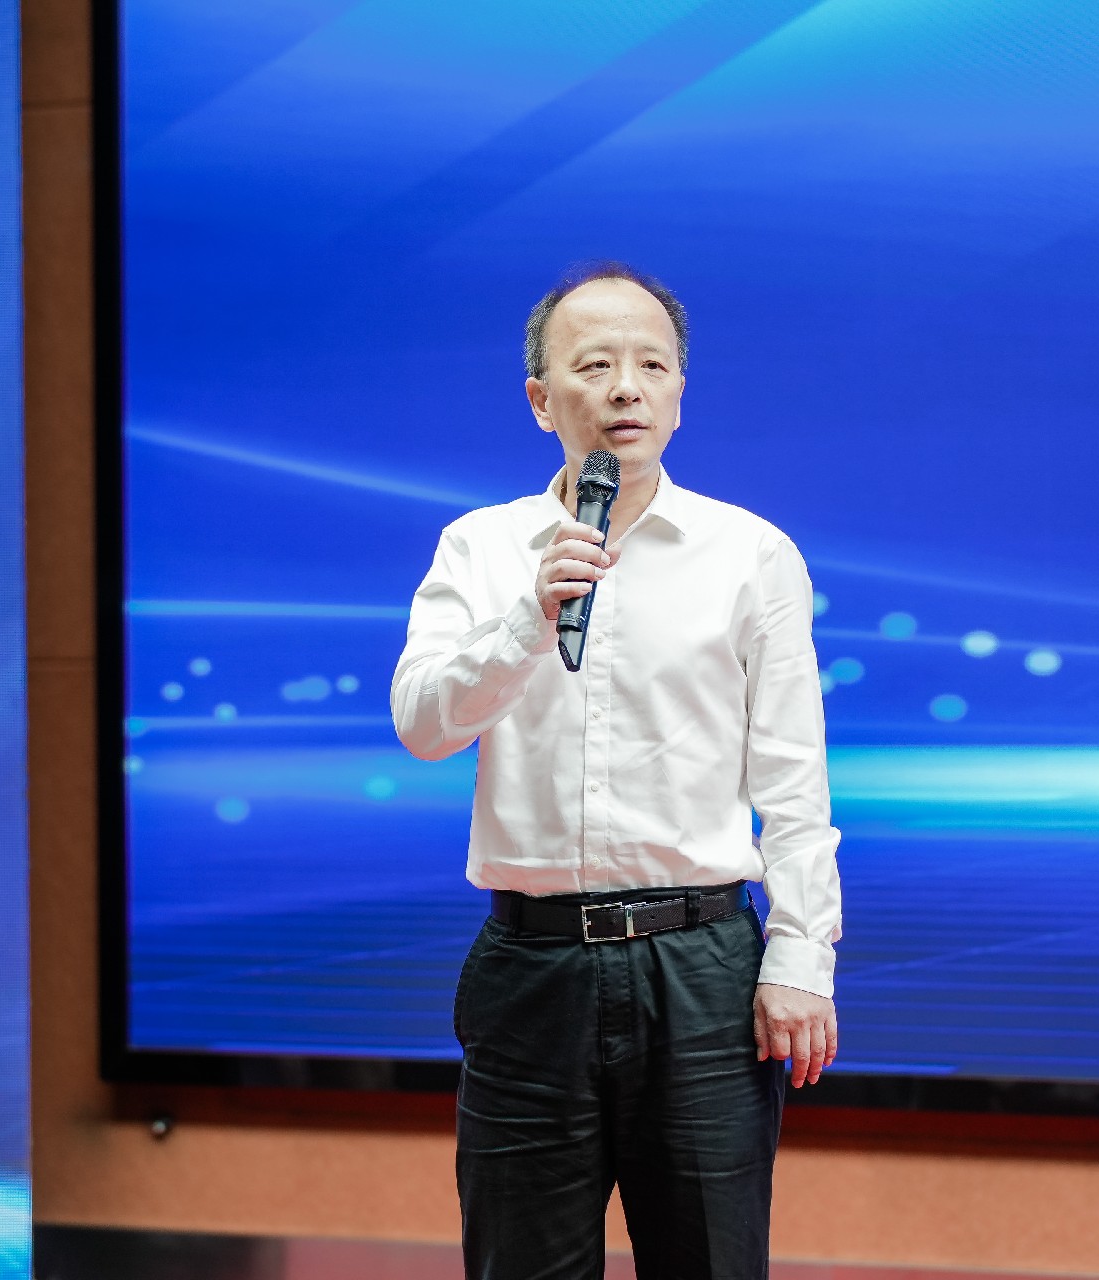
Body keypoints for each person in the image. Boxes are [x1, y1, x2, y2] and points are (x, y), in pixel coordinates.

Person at [391, 262, 842, 1280]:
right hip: (532, 969)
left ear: (680, 392)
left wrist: (801, 957)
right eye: (594, 366)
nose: (626, 388)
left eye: (651, 365)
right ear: (541, 399)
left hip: (702, 968)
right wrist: (527, 619)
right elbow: (422, 725)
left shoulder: (750, 553)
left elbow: (793, 777)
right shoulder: (481, 547)